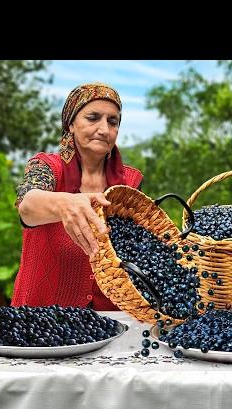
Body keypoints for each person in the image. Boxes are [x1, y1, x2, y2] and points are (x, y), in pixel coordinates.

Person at [11, 83, 143, 310]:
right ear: (71, 124)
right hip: (40, 320)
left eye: (113, 122)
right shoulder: (47, 167)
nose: (104, 129)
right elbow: (28, 206)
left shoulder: (130, 182)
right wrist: (66, 203)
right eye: (93, 118)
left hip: (109, 321)